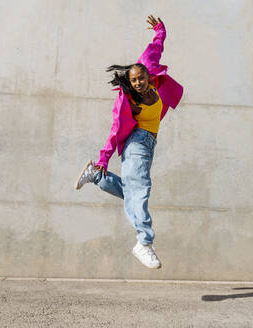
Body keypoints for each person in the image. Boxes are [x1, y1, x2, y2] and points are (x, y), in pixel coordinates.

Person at [74, 15, 184, 269]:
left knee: (132, 192)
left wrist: (160, 30)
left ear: (147, 74)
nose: (138, 82)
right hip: (136, 143)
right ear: (131, 83)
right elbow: (115, 131)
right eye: (134, 81)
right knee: (141, 188)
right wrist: (104, 157)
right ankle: (144, 242)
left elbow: (155, 48)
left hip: (149, 145)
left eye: (141, 78)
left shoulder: (151, 74)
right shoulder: (127, 101)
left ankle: (98, 177)